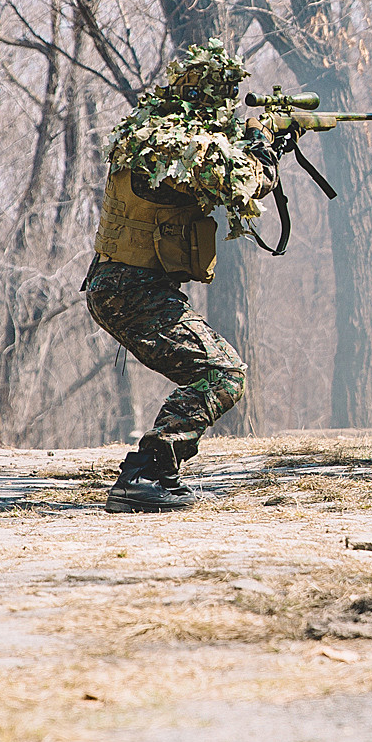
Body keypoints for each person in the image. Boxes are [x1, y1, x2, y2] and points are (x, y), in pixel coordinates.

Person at [85, 42, 284, 513]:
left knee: (215, 373)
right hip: (130, 289)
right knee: (221, 374)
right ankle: (146, 474)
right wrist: (262, 151)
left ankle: (154, 473)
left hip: (125, 287)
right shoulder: (169, 143)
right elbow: (240, 183)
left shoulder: (151, 131)